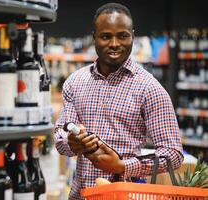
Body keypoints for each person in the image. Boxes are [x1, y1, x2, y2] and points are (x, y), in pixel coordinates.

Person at [54, 2, 183, 200]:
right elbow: (61, 136)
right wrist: (72, 144)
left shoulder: (150, 89)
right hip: (79, 196)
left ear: (132, 35)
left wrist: (122, 166)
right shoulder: (75, 82)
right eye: (106, 36)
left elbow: (173, 154)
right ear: (94, 37)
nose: (114, 44)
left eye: (122, 36)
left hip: (126, 196)